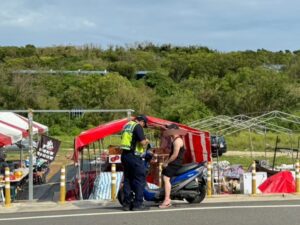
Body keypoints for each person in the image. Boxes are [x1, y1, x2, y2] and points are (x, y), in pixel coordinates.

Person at [120, 115, 150, 211]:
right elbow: (142, 142)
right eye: (144, 124)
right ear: (141, 121)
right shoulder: (137, 126)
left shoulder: (126, 126)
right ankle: (138, 204)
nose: (143, 127)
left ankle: (127, 204)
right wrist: (147, 141)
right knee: (139, 179)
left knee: (127, 180)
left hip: (125, 155)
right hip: (134, 157)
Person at [159, 123, 187, 209]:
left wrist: (166, 162)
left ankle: (167, 200)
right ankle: (164, 195)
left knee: (166, 178)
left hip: (176, 163)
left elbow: (175, 155)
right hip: (174, 162)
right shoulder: (174, 139)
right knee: (163, 174)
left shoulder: (178, 141)